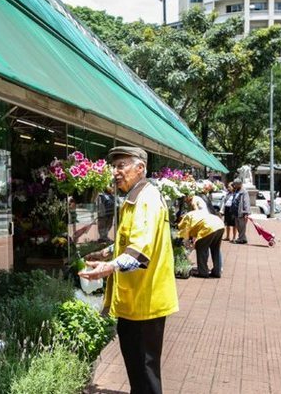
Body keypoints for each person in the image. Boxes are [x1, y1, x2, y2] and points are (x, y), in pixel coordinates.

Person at [80, 146, 178, 394]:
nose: (115, 172)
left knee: (144, 373)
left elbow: (140, 253)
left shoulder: (145, 200)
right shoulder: (137, 197)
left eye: (121, 165)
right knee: (139, 371)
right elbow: (131, 241)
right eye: (114, 166)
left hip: (144, 302)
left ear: (140, 168)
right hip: (137, 302)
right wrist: (106, 253)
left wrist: (108, 267)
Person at [178, 196, 223, 278]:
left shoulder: (186, 218)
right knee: (215, 249)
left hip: (208, 227)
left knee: (201, 248)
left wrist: (185, 244)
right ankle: (217, 271)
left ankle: (203, 272)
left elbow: (184, 234)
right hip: (219, 224)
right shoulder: (195, 213)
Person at [231, 178, 251, 244]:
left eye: (235, 184)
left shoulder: (244, 192)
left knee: (242, 226)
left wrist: (246, 213)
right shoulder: (236, 191)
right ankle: (243, 238)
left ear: (239, 184)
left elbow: (246, 202)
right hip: (236, 212)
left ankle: (241, 239)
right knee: (238, 226)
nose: (234, 186)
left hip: (241, 212)